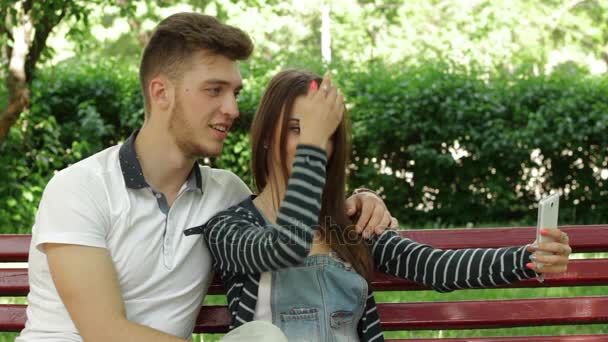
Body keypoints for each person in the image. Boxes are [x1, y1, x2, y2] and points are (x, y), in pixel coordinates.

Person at [16, 13, 396, 342]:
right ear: (161, 92)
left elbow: (289, 226)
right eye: (214, 90)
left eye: (235, 92)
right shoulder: (80, 188)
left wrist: (361, 200)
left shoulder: (226, 193)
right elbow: (104, 332)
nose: (231, 109)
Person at [201, 69, 572, 341]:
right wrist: (313, 145)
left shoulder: (347, 226)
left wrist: (529, 257)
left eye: (322, 135)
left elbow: (437, 268)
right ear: (267, 135)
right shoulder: (230, 229)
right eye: (298, 129)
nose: (312, 143)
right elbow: (286, 245)